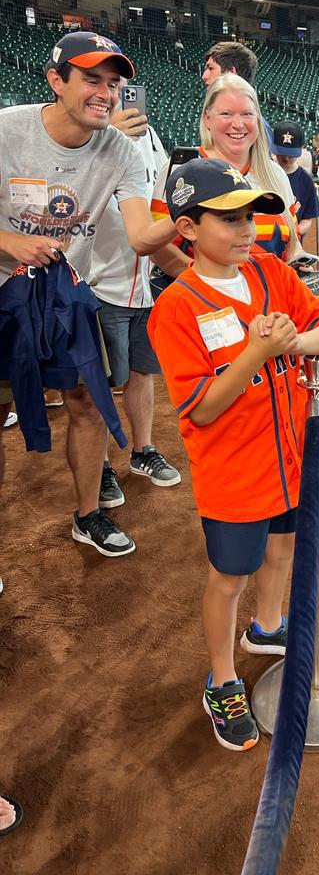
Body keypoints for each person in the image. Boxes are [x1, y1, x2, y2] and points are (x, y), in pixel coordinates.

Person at [148, 158, 319, 750]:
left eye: (250, 217)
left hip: (289, 457)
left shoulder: (269, 270)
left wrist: (295, 341)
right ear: (187, 228)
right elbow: (203, 408)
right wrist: (259, 352)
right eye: (229, 219)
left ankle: (267, 627)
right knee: (230, 575)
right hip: (233, 472)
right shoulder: (175, 308)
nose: (246, 229)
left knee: (282, 548)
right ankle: (222, 679)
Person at [0, 31, 177, 558]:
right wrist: (11, 242)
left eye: (114, 83)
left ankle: (87, 515)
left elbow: (141, 235)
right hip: (4, 297)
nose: (106, 93)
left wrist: (192, 218)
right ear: (56, 81)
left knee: (89, 405)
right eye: (91, 80)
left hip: (62, 300)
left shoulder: (121, 150)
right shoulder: (8, 131)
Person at [90, 78, 182, 509]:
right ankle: (100, 465)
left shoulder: (148, 135)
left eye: (122, 85)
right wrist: (109, 139)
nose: (116, 94)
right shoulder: (89, 138)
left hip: (143, 281)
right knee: (99, 383)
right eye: (107, 85)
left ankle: (142, 450)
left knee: (142, 372)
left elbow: (161, 191)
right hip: (100, 281)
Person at [152, 75, 299, 265]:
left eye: (247, 114)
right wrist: (208, 280)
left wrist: (298, 262)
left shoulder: (275, 173)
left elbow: (293, 243)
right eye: (226, 114)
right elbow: (158, 248)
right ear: (207, 118)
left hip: (274, 283)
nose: (238, 124)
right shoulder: (182, 171)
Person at [272, 120, 319, 239]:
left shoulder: (305, 179)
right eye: (281, 153)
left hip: (293, 242)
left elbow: (307, 219)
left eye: (291, 154)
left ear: (302, 147)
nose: (286, 158)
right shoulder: (264, 172)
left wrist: (293, 233)